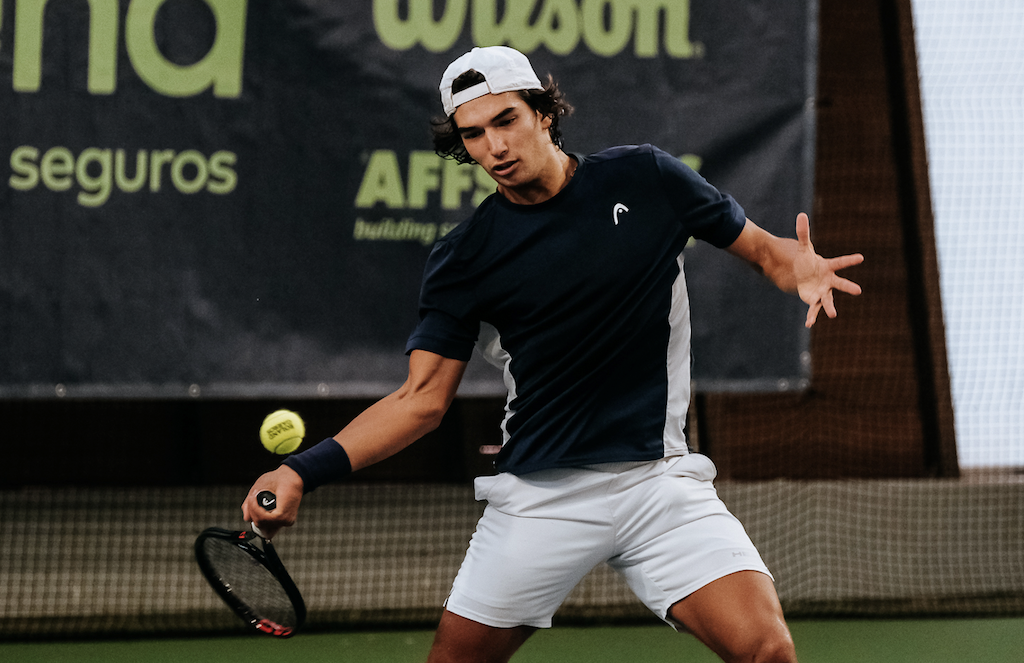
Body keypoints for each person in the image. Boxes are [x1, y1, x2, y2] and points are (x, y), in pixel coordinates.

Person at [242, 46, 863, 663]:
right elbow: (420, 400)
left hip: (659, 484)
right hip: (541, 498)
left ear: (543, 111)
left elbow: (765, 251)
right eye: (474, 134)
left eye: (506, 120)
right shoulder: (465, 258)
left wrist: (799, 267)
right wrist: (300, 472)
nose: (494, 147)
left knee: (768, 653)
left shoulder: (645, 177)